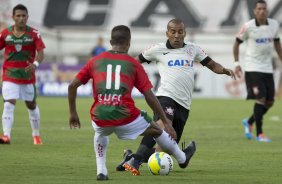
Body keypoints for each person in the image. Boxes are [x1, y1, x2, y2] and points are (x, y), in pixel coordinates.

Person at [68, 25, 196, 181]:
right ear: (128, 43)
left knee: (100, 132)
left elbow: (72, 85)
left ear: (110, 42)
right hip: (126, 117)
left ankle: (101, 171)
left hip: (100, 116)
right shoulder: (132, 64)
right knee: (157, 130)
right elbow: (149, 96)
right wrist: (166, 122)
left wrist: (73, 113)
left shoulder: (95, 61)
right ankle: (182, 158)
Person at [116, 18, 236, 171]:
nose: (177, 35)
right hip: (166, 97)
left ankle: (131, 157)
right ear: (167, 33)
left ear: (185, 33)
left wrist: (224, 70)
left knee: (164, 150)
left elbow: (212, 65)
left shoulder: (193, 49)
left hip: (184, 104)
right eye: (173, 32)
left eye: (180, 32)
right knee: (161, 126)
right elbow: (134, 62)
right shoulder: (157, 49)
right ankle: (136, 161)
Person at [233, 0, 282, 142]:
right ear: (255, 11)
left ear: (267, 10)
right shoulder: (248, 26)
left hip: (267, 69)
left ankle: (249, 122)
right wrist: (237, 64)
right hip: (252, 68)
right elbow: (236, 43)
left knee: (270, 102)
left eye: (264, 8)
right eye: (259, 8)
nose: (262, 11)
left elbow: (277, 45)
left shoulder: (274, 25)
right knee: (260, 99)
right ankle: (260, 134)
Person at [0, 4, 45, 145]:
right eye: (18, 16)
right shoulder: (5, 34)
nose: (21, 18)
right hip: (9, 75)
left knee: (31, 105)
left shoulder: (34, 34)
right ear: (13, 17)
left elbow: (41, 52)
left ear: (27, 17)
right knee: (8, 104)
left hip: (27, 77)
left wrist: (35, 64)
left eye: (23, 16)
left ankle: (36, 135)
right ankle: (6, 136)